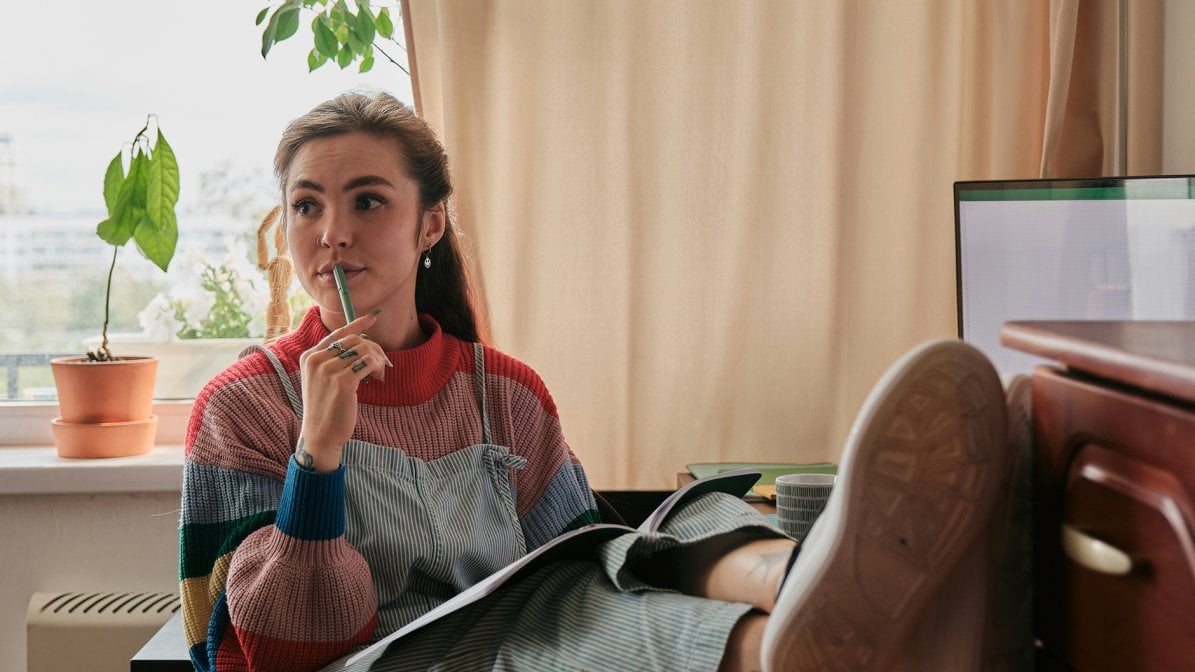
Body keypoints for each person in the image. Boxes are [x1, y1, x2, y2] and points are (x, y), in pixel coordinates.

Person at [179, 90, 1012, 672]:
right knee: (603, 641)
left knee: (672, 523)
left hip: (530, 632)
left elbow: (591, 565)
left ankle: (805, 581)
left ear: (429, 223)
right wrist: (317, 457)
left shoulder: (503, 392)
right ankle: (854, 630)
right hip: (383, 660)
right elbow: (277, 652)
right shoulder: (242, 408)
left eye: (367, 203)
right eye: (306, 206)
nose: (331, 235)